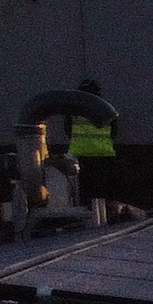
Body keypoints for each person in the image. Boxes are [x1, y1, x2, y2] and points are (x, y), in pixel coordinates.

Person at [65, 77, 120, 212]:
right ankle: (106, 215)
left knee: (85, 189)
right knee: (103, 190)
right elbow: (114, 131)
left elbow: (68, 129)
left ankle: (89, 213)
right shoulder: (106, 108)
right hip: (103, 154)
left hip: (82, 154)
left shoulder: (74, 111)